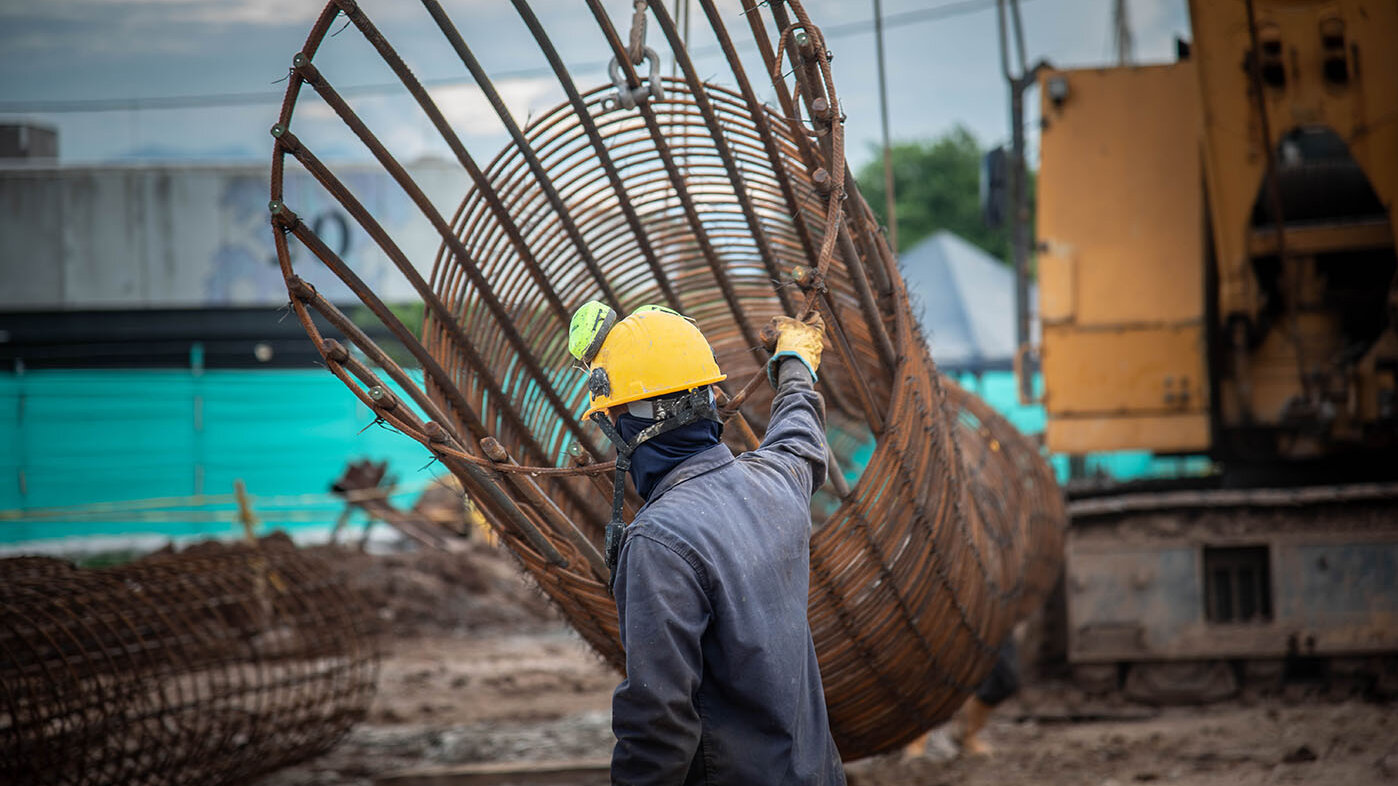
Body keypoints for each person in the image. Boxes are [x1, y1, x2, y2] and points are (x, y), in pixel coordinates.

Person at [567, 301, 846, 785]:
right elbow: (799, 438)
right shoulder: (777, 483)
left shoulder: (659, 541)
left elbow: (658, 725)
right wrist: (796, 363)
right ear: (711, 399)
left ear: (625, 423)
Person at [904, 638, 1020, 758]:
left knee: (1005, 677)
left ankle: (964, 733)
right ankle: (917, 742)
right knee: (929, 660)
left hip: (992, 622)